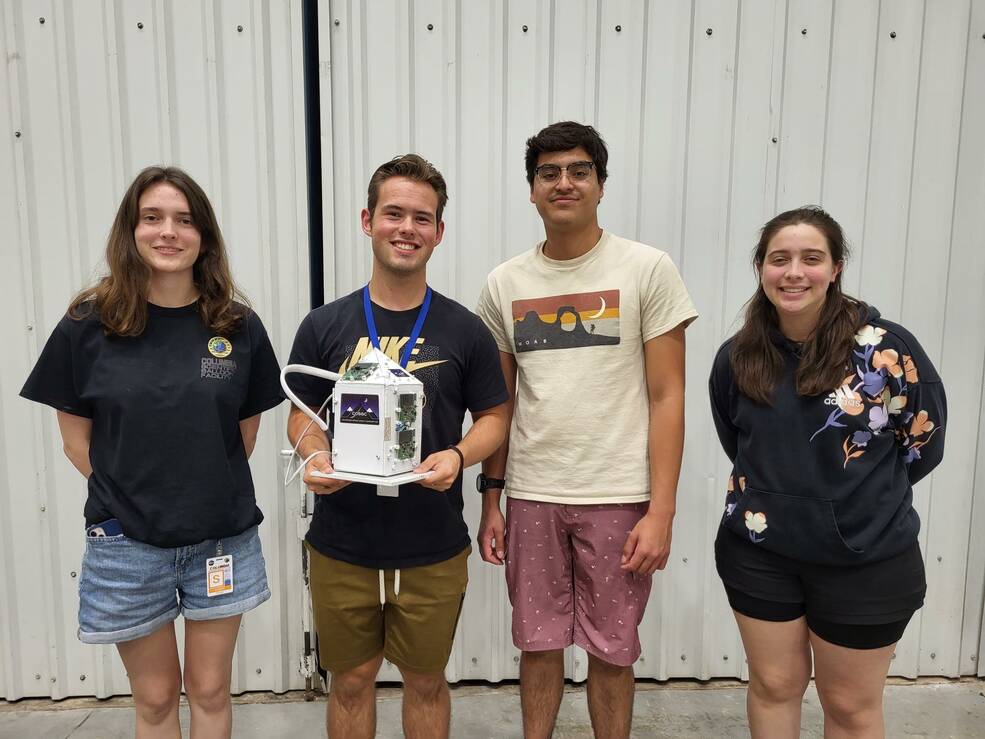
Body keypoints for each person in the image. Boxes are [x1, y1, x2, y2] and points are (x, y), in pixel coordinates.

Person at [20, 166, 284, 738]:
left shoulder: (237, 326)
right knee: (158, 698)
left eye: (185, 220)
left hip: (221, 537)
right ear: (131, 230)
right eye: (153, 218)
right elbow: (75, 441)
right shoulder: (86, 325)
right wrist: (132, 500)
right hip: (127, 545)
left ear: (204, 236)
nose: (169, 232)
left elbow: (244, 434)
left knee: (211, 690)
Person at [475, 121, 698, 739]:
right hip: (533, 495)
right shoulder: (504, 283)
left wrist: (662, 511)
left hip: (618, 496)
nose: (564, 183)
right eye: (549, 173)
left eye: (579, 171)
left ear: (601, 184)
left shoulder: (647, 269)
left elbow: (668, 394)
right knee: (538, 646)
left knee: (613, 650)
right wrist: (492, 501)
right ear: (532, 190)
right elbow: (500, 403)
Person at [285, 154, 509, 739]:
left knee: (427, 681)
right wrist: (315, 455)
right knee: (352, 681)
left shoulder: (465, 329)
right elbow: (301, 415)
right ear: (367, 220)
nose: (406, 228)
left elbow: (495, 417)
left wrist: (459, 456)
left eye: (422, 218)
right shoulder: (325, 324)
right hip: (342, 541)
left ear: (438, 231)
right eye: (393, 213)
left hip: (432, 544)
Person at [709, 206, 946, 738]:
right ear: (761, 268)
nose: (794, 272)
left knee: (849, 707)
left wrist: (850, 502)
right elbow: (739, 441)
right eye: (780, 259)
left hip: (866, 560)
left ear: (836, 268)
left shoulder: (887, 351)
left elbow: (923, 445)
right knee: (773, 687)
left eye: (811, 258)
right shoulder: (737, 356)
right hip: (760, 554)